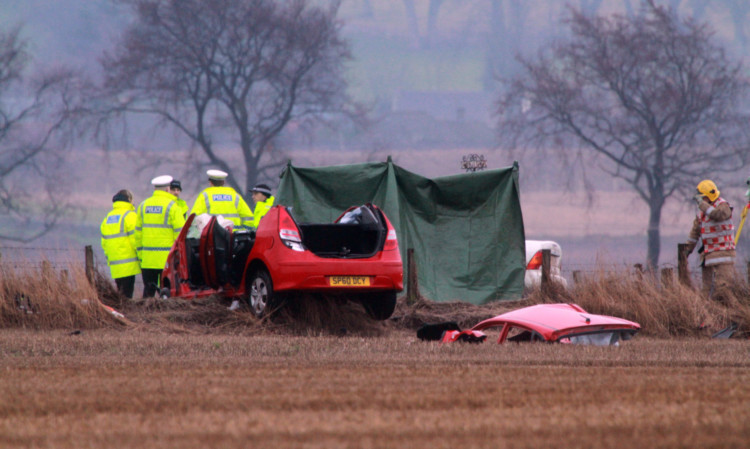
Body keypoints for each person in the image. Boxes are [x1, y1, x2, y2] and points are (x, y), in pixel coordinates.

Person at [684, 179, 736, 301]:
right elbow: (694, 234)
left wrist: (702, 205)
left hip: (724, 255)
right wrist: (686, 250)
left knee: (723, 290)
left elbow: (717, 215)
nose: (700, 202)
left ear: (709, 196)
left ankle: (727, 316)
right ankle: (708, 316)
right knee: (706, 293)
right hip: (708, 257)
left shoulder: (723, 206)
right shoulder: (702, 214)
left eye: (702, 198)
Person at [135, 175, 186, 298]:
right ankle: (164, 318)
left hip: (147, 259)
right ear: (168, 189)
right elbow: (180, 235)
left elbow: (137, 235)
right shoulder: (173, 207)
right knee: (168, 295)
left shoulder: (143, 206)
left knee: (148, 294)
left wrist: (142, 256)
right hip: (166, 260)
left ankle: (145, 317)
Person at [100, 189, 140, 299]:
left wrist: (109, 257)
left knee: (121, 295)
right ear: (129, 200)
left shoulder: (108, 218)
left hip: (114, 264)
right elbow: (135, 240)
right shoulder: (130, 216)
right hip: (129, 263)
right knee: (127, 297)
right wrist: (141, 257)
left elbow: (104, 243)